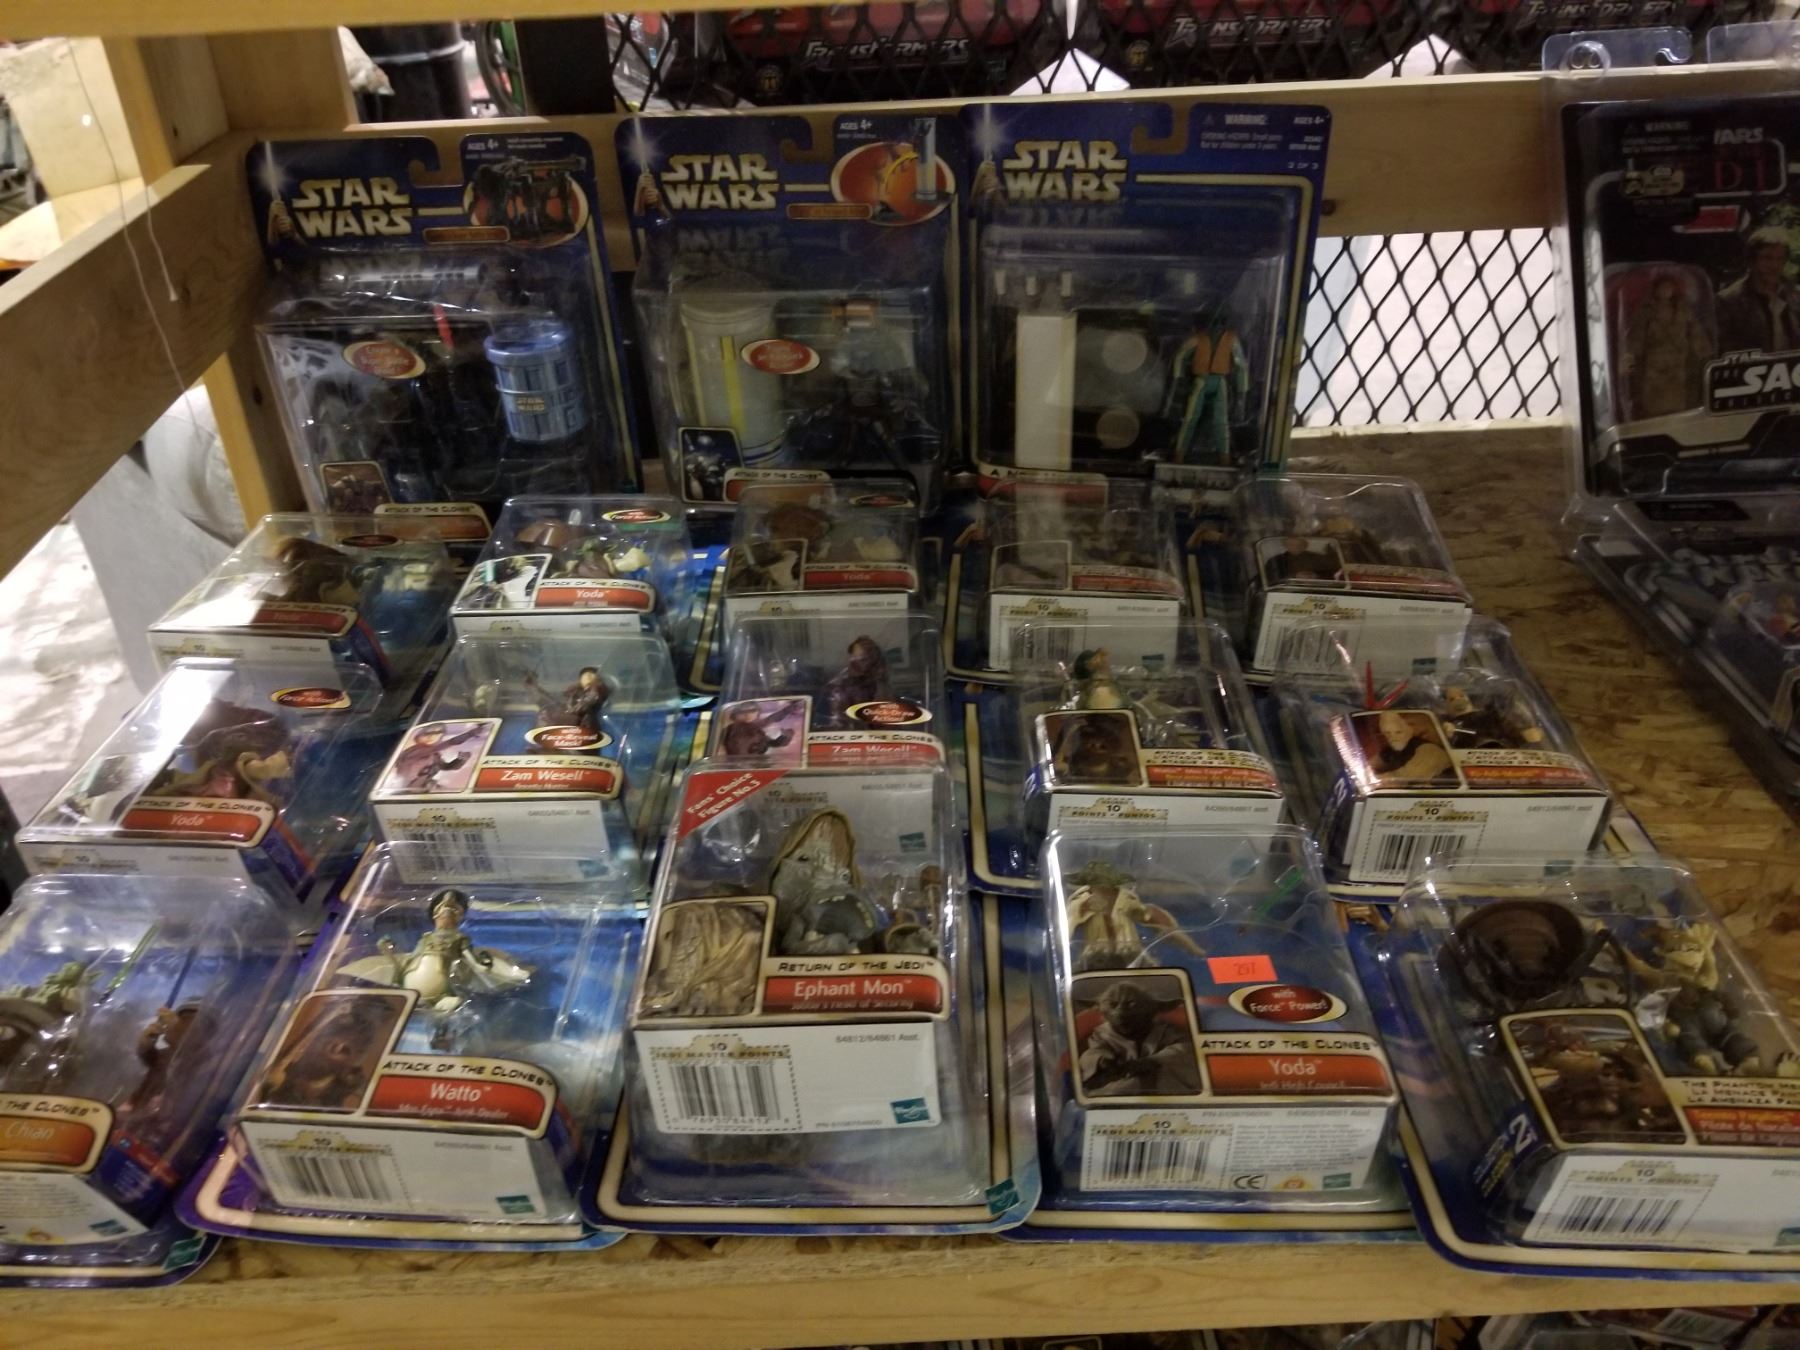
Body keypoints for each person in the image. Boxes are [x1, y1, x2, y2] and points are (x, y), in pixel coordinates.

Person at [1716, 228, 1800, 356]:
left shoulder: (1795, 296)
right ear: (1751, 260)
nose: (1775, 265)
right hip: (1754, 367)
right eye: (1767, 258)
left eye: (1780, 259)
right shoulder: (1729, 302)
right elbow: (1725, 351)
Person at [1367, 710, 1456, 785]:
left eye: (1398, 732)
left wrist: (1370, 781)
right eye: (1387, 733)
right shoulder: (1394, 749)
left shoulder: (1431, 750)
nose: (1393, 737)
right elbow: (1369, 765)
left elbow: (1403, 778)